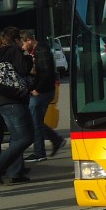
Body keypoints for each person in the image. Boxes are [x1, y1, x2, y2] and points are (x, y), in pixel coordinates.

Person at [0, 27, 34, 184]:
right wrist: (27, 55)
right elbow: (24, 69)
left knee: (17, 138)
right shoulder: (14, 51)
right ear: (17, 39)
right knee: (26, 137)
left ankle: (15, 173)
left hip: (0, 101)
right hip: (14, 100)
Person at [20, 30, 62, 162]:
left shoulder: (41, 51)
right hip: (45, 91)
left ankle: (40, 152)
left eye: (23, 44)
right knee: (36, 121)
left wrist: (37, 89)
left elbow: (45, 72)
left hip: (42, 92)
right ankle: (55, 140)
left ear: (29, 40)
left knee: (34, 122)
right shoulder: (39, 50)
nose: (22, 48)